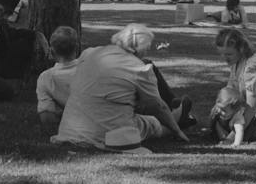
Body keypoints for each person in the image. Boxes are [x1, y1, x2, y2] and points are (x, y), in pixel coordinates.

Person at [52, 23, 192, 152]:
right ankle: (178, 120)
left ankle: (179, 116)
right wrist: (177, 132)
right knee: (152, 123)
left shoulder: (89, 54)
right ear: (140, 50)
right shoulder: (139, 68)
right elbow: (157, 106)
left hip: (70, 131)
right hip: (107, 134)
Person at [36, 26, 80, 126]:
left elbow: (47, 118)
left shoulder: (46, 77)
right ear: (77, 47)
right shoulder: (93, 68)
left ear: (52, 51)